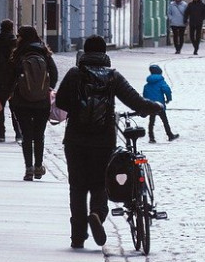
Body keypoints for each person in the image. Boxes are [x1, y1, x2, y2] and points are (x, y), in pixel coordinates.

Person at [54, 35, 164, 249]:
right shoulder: (113, 77)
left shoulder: (75, 74)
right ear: (105, 53)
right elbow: (136, 101)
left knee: (77, 187)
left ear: (84, 52)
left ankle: (77, 236)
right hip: (103, 141)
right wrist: (155, 106)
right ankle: (97, 214)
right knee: (99, 183)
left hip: (76, 140)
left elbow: (61, 102)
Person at [9, 25, 59, 182]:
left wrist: (12, 92)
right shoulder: (44, 53)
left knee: (26, 136)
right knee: (39, 135)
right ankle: (38, 166)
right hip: (42, 102)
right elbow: (55, 73)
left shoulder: (19, 53)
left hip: (22, 101)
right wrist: (48, 88)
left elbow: (11, 75)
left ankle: (28, 169)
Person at [142, 64, 179, 143]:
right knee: (165, 121)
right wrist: (169, 99)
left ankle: (151, 137)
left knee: (151, 122)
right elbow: (167, 90)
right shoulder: (161, 82)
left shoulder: (147, 84)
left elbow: (145, 94)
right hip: (159, 105)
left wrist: (146, 103)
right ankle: (170, 135)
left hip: (151, 105)